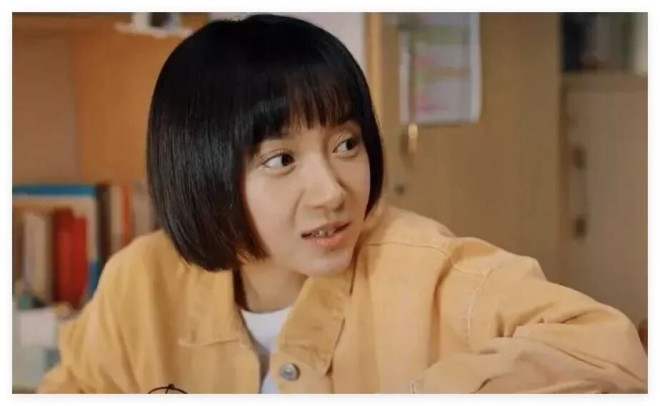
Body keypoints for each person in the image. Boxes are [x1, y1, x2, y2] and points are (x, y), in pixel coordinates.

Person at [39, 14, 647, 394]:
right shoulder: (139, 283)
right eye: (282, 159)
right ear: (201, 172)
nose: (332, 191)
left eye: (346, 144)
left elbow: (608, 346)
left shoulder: (424, 269)